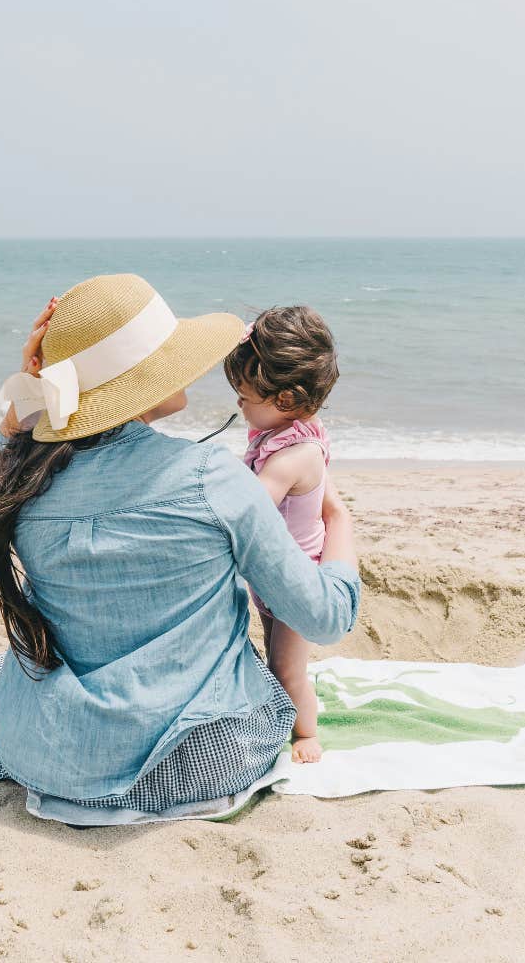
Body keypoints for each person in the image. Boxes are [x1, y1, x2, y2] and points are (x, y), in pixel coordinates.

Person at [0, 274, 360, 825]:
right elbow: (326, 617)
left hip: (49, 748)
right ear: (137, 382)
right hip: (191, 761)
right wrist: (339, 519)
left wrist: (22, 407)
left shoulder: (21, 481)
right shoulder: (211, 478)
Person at [224, 307, 339, 764]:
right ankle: (287, 710)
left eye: (246, 396)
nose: (238, 405)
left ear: (287, 400)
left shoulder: (293, 457)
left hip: (294, 581)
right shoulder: (286, 434)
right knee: (276, 649)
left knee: (287, 666)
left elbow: (249, 505)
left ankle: (306, 732)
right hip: (274, 578)